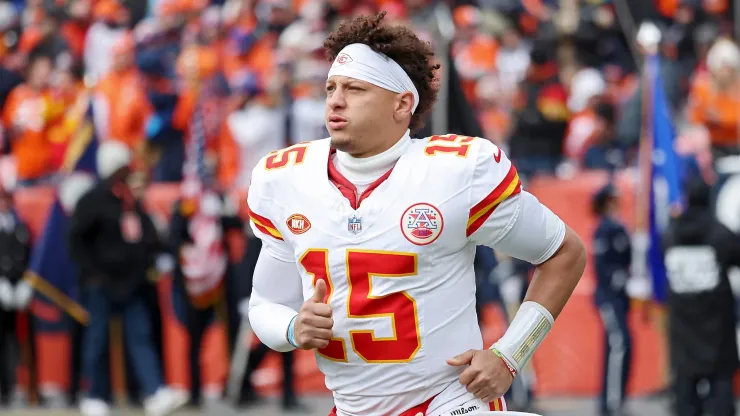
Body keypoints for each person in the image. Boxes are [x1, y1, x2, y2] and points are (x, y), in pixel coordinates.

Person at [247, 12, 587, 416]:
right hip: (350, 407)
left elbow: (564, 253)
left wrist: (510, 354)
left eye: (355, 89)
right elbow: (265, 304)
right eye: (331, 87)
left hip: (447, 402)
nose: (335, 100)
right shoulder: (286, 179)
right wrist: (292, 328)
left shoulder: (456, 171)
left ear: (402, 104)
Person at [68, 140, 187, 416]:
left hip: (130, 283)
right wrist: (92, 273)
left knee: (139, 336)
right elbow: (76, 240)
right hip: (101, 283)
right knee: (97, 338)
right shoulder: (93, 199)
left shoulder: (129, 200)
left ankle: (155, 391)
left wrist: (155, 256)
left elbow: (143, 235)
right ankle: (95, 395)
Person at [663, 178, 739, 416]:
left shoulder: (671, 233)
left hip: (682, 327)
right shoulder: (720, 234)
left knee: (685, 391)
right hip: (717, 328)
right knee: (720, 389)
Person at [591, 183, 632, 416]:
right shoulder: (604, 230)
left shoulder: (618, 227)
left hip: (620, 298)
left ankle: (616, 400)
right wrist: (619, 278)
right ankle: (612, 403)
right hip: (609, 298)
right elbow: (602, 267)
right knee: (619, 344)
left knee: (622, 345)